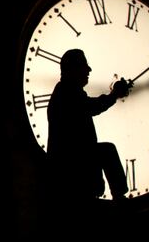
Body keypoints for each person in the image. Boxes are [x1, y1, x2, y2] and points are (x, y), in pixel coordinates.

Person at [46, 48, 131, 207]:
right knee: (108, 151)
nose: (88, 69)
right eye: (83, 65)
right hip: (72, 170)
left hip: (70, 172)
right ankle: (119, 197)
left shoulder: (66, 91)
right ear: (73, 69)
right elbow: (92, 107)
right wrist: (114, 94)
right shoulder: (67, 92)